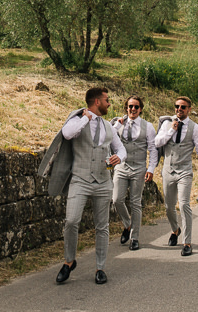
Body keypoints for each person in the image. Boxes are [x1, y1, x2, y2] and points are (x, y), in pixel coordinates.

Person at [47, 87, 127, 285]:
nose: (109, 104)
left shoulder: (109, 126)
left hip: (103, 181)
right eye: (107, 100)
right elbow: (67, 134)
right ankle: (69, 261)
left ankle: (100, 268)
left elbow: (121, 148)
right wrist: (85, 118)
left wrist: (119, 157)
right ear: (97, 102)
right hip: (80, 180)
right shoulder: (77, 120)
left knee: (102, 226)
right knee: (72, 221)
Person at [154, 96, 198, 257]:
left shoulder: (195, 128)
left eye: (183, 107)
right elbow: (157, 143)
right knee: (169, 207)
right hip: (168, 170)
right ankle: (175, 229)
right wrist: (172, 130)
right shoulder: (166, 123)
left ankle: (187, 242)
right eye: (177, 106)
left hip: (185, 170)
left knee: (184, 204)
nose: (179, 109)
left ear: (189, 109)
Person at [111, 95, 158, 251]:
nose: (133, 109)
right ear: (126, 107)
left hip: (139, 167)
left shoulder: (148, 126)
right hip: (122, 166)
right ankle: (127, 224)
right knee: (116, 199)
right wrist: (117, 126)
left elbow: (152, 149)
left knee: (135, 203)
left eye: (136, 107)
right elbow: (108, 138)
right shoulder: (118, 123)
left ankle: (135, 237)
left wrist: (151, 169)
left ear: (140, 109)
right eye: (130, 106)